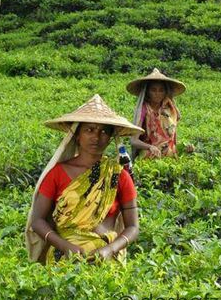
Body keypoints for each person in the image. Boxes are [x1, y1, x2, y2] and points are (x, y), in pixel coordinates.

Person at [25, 94, 144, 265]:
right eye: (89, 130)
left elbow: (133, 227)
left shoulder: (119, 175)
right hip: (64, 257)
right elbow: (37, 221)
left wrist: (109, 249)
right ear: (77, 135)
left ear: (110, 138)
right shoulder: (57, 174)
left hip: (108, 256)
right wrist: (65, 246)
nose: (96, 137)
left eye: (104, 131)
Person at [126, 67, 189, 159]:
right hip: (149, 152)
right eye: (153, 90)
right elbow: (134, 140)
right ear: (147, 92)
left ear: (165, 92)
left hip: (169, 151)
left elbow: (172, 139)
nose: (157, 93)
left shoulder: (169, 109)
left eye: (161, 90)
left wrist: (184, 147)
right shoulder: (144, 109)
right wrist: (150, 147)